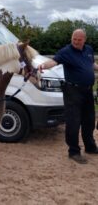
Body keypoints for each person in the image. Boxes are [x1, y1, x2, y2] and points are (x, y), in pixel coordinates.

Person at [38, 29, 98, 164]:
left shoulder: (88, 49)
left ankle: (90, 147)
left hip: (88, 91)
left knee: (89, 121)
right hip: (73, 91)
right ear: (72, 38)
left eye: (79, 40)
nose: (76, 42)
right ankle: (73, 151)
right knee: (73, 122)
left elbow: (91, 64)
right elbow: (54, 62)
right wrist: (43, 66)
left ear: (84, 40)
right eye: (74, 39)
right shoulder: (66, 51)